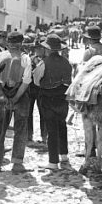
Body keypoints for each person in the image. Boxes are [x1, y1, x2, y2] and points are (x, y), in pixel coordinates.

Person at [0, 31, 32, 174]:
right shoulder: (25, 59)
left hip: (1, 94)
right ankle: (17, 163)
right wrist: (14, 98)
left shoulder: (0, 57)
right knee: (20, 130)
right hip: (20, 95)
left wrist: (3, 97)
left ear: (8, 43)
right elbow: (26, 82)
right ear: (21, 44)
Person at [33, 34, 73, 171]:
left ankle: (53, 162)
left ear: (47, 49)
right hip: (62, 98)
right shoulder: (66, 62)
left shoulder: (43, 63)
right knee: (62, 125)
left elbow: (36, 80)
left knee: (51, 129)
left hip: (48, 98)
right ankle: (64, 155)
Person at [81, 25, 102, 157]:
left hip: (92, 87)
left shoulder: (89, 51)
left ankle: (91, 147)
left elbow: (84, 71)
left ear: (88, 39)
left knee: (90, 117)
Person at [27, 38, 48, 145]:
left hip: (42, 91)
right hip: (31, 90)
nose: (38, 50)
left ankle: (44, 136)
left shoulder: (47, 61)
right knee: (28, 113)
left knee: (43, 113)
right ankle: (28, 135)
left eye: (40, 48)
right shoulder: (30, 59)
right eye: (36, 48)